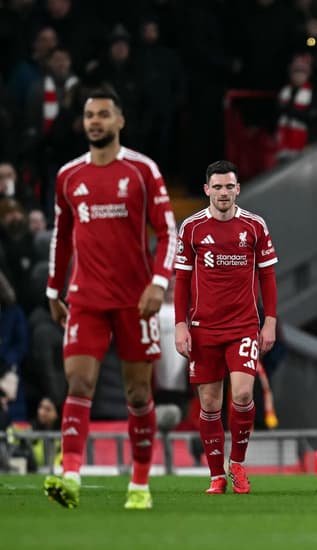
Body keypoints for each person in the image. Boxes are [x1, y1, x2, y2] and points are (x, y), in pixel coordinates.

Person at [43, 89, 177, 510]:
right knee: (79, 382)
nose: (95, 121)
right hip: (85, 298)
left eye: (103, 114)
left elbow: (168, 232)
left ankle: (139, 483)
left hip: (135, 301)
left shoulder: (141, 170)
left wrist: (158, 283)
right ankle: (70, 475)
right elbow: (61, 236)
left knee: (139, 395)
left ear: (120, 121)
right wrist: (53, 288)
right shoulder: (69, 176)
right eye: (89, 115)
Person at [174, 159, 278, 495]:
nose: (223, 192)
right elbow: (181, 280)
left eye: (229, 186)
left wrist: (270, 322)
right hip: (204, 327)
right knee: (209, 403)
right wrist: (180, 325)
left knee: (245, 393)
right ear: (207, 190)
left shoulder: (254, 226)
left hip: (244, 326)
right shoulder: (191, 228)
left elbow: (268, 276)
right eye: (216, 187)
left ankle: (238, 464)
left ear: (238, 189)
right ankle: (216, 475)